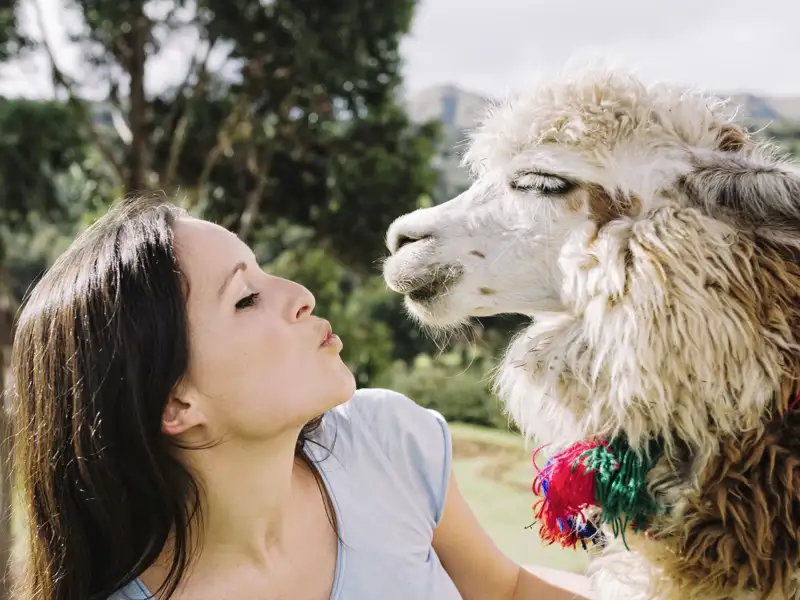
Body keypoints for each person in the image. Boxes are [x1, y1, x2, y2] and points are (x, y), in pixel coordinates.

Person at [9, 196, 592, 600]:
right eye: (245, 299)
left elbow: (504, 590)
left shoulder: (385, 443)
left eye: (265, 275)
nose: (300, 296)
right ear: (175, 405)